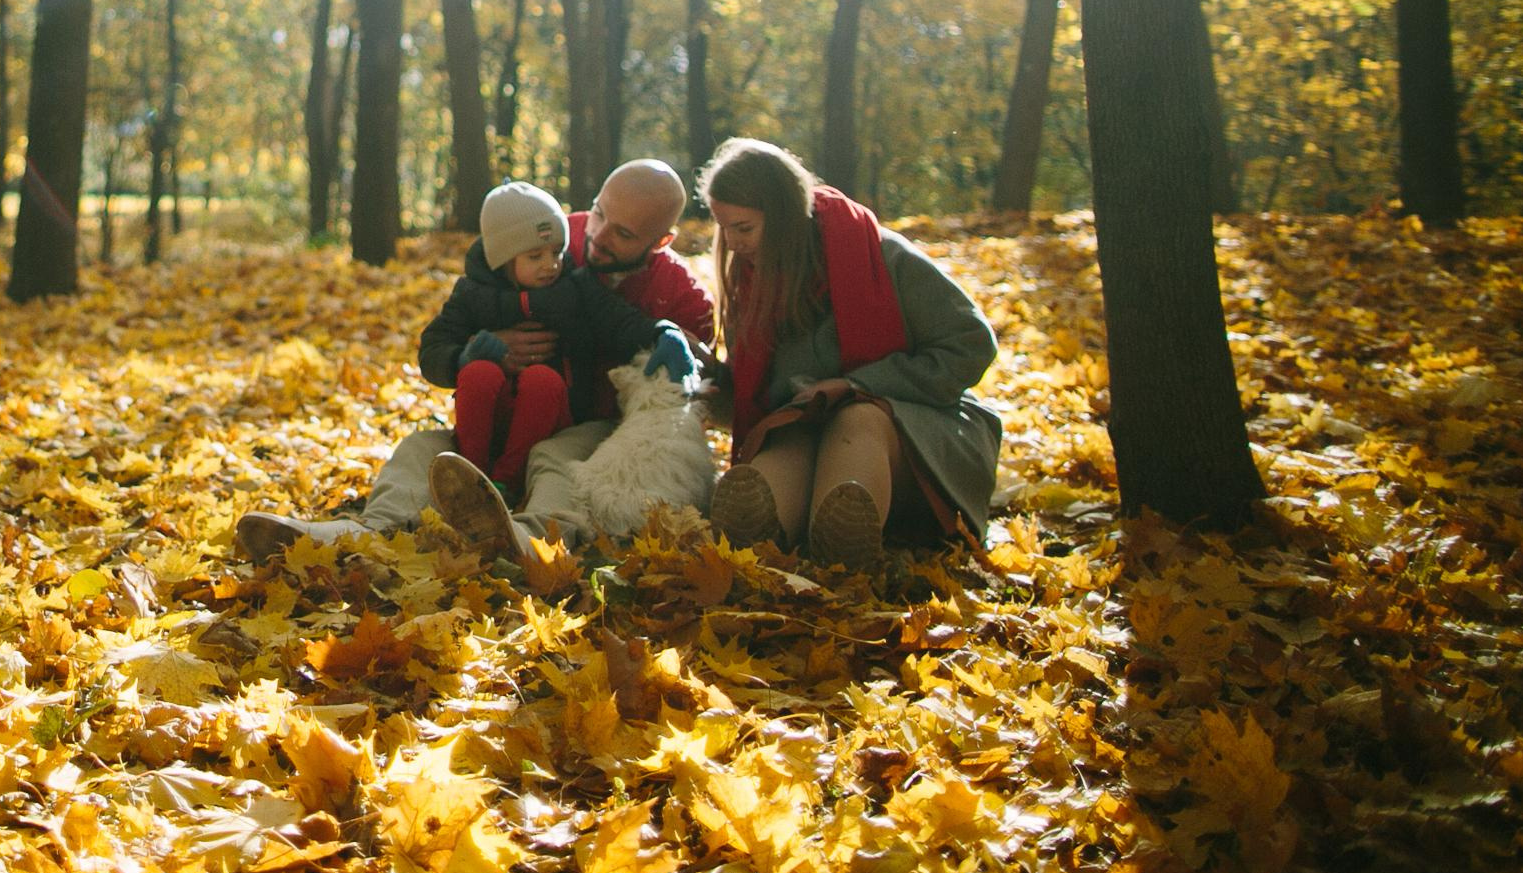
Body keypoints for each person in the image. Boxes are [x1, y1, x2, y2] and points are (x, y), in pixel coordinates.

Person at [236, 159, 715, 567]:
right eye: (600, 213)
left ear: (662, 241)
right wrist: (479, 349)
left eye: (624, 233)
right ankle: (359, 533)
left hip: (587, 424)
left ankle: (530, 540)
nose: (597, 236)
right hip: (501, 412)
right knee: (426, 447)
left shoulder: (681, 297)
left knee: (558, 464)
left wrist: (673, 340)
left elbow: (686, 397)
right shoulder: (546, 231)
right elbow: (446, 336)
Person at [695, 137, 1002, 565]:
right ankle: (768, 552)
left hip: (911, 428)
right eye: (722, 226)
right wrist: (709, 379)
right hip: (805, 424)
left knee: (857, 417)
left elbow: (970, 343)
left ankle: (843, 552)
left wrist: (857, 385)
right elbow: (761, 393)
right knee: (777, 458)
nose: (732, 242)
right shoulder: (751, 283)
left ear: (784, 217)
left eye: (743, 228)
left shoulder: (881, 255)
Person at [420, 180, 689, 491]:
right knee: (478, 374)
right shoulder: (471, 295)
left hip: (555, 423)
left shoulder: (576, 287)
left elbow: (619, 321)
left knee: (542, 382)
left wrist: (662, 331)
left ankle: (504, 483)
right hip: (486, 423)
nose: (550, 265)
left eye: (557, 252)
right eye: (535, 256)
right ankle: (468, 475)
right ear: (503, 259)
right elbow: (432, 349)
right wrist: (462, 357)